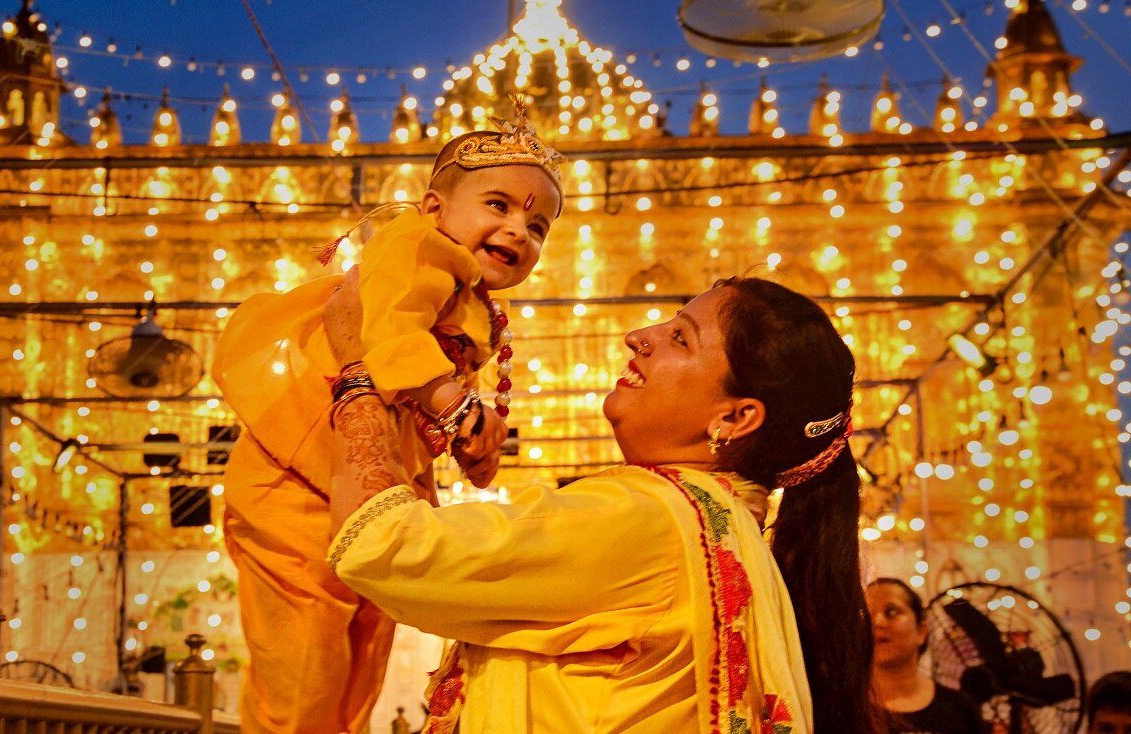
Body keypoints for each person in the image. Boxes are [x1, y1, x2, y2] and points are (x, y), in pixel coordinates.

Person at [323, 274, 885, 733]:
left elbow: (380, 544)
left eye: (681, 338)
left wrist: (356, 372)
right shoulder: (716, 527)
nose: (640, 334)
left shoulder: (646, 517)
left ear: (734, 418)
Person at [212, 103, 565, 734]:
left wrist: (469, 441)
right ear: (434, 210)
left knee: (361, 661)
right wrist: (454, 404)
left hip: (371, 493)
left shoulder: (471, 301)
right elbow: (389, 330)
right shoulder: (411, 246)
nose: (519, 230)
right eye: (499, 205)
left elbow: (419, 397)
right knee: (302, 674)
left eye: (538, 225)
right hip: (294, 487)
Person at [868, 578, 984, 734]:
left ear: (921, 631)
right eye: (867, 613)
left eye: (891, 612)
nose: (877, 622)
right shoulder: (839, 707)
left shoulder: (960, 708)